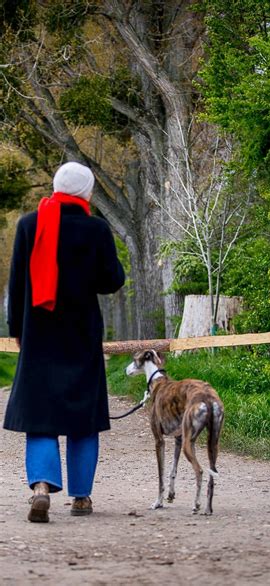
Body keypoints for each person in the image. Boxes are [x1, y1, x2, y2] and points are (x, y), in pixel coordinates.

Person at [3, 161, 125, 523]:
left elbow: (17, 285)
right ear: (86, 192)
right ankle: (82, 497)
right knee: (82, 416)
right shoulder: (97, 229)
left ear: (56, 187)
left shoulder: (29, 225)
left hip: (38, 334)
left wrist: (18, 331)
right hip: (81, 335)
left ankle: (41, 486)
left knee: (41, 415)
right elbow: (112, 281)